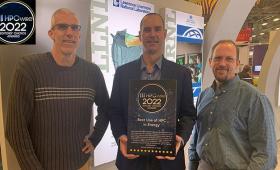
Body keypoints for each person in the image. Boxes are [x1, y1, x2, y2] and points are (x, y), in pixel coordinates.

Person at [5, 8, 109, 170]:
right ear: (51, 33)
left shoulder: (92, 72)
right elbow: (14, 129)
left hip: (81, 164)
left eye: (75, 28)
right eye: (62, 27)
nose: (69, 32)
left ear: (79, 34)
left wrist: (95, 139)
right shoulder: (28, 68)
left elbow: (107, 108)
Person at [109, 13, 196, 170]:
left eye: (157, 29)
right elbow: (114, 111)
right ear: (140, 35)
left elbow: (188, 114)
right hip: (131, 159)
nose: (152, 34)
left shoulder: (182, 74)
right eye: (147, 30)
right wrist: (121, 136)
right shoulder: (123, 73)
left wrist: (181, 139)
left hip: (168, 160)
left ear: (165, 34)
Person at [188, 40, 277, 170]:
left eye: (229, 59)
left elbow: (266, 154)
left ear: (237, 64)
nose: (222, 63)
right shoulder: (204, 95)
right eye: (217, 58)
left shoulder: (255, 99)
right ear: (210, 62)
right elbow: (196, 138)